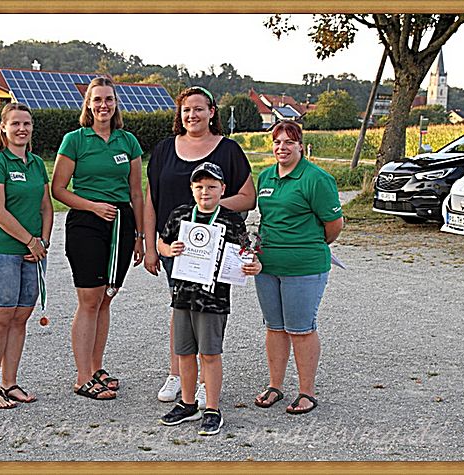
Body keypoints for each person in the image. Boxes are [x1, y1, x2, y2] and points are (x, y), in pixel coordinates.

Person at [144, 86, 256, 407]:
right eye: (186, 110)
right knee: (179, 307)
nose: (192, 115)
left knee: (208, 312)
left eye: (198, 109)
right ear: (179, 114)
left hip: (215, 247)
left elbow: (248, 197)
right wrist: (151, 246)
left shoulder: (228, 149)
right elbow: (151, 201)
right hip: (177, 247)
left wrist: (208, 209)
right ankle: (177, 375)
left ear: (211, 112)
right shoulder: (164, 149)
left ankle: (207, 382)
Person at [52, 77, 144, 400]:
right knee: (89, 300)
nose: (103, 105)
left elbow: (136, 192)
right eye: (97, 100)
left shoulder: (128, 141)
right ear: (88, 105)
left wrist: (140, 236)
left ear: (116, 104)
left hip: (121, 224)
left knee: (106, 297)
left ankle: (96, 367)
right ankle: (82, 377)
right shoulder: (75, 140)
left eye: (109, 99)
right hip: (86, 222)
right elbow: (58, 189)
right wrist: (92, 206)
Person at [157, 162, 261, 436]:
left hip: (213, 300)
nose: (205, 192)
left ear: (223, 189)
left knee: (210, 354)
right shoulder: (180, 215)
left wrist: (254, 265)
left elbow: (246, 253)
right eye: (200, 186)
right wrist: (169, 249)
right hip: (182, 295)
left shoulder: (232, 220)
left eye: (212, 186)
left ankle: (212, 409)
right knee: (184, 353)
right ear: (192, 188)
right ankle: (188, 403)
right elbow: (161, 242)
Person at [253, 120, 343, 415]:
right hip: (268, 266)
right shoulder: (265, 177)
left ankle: (307, 392)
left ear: (301, 146)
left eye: (289, 142)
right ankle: (275, 386)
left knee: (301, 329)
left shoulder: (316, 179)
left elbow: (334, 225)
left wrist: (307, 245)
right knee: (275, 327)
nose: (282, 147)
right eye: (277, 142)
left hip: (304, 267)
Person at [0, 102, 54, 409]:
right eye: (16, 124)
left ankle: (10, 383)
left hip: (33, 254)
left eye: (27, 124)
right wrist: (30, 241)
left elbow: (46, 207)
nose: (22, 129)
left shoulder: (36, 163)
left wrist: (43, 242)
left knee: (20, 319)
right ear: (4, 128)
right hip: (1, 253)